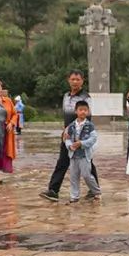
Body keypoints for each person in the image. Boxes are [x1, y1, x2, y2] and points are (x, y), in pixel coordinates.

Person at [40, 70, 96, 202]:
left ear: (82, 81)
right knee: (63, 162)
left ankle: (94, 190)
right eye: (73, 79)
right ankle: (53, 190)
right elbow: (66, 115)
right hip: (67, 136)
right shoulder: (66, 96)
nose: (75, 82)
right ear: (68, 80)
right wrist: (65, 130)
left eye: (78, 79)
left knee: (87, 162)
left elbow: (87, 116)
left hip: (81, 135)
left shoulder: (86, 97)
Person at [65, 101, 101, 203]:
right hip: (73, 155)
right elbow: (67, 138)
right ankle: (74, 196)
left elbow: (93, 139)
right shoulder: (71, 126)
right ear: (76, 111)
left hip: (85, 155)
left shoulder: (90, 126)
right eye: (80, 110)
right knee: (73, 176)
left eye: (85, 110)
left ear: (88, 111)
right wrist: (69, 146)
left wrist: (81, 143)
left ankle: (96, 191)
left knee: (86, 175)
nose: (83, 112)